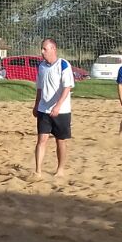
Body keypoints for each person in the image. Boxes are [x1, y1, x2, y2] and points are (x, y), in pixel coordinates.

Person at [32, 38, 74, 178]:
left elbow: (67, 87)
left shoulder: (63, 65)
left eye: (45, 49)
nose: (42, 52)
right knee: (41, 140)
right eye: (42, 49)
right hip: (44, 109)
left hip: (61, 111)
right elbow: (39, 88)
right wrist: (36, 104)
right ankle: (38, 171)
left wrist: (58, 106)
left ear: (53, 49)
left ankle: (60, 169)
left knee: (60, 140)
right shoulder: (41, 66)